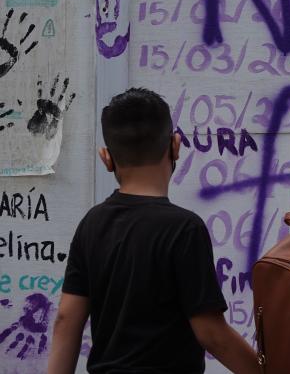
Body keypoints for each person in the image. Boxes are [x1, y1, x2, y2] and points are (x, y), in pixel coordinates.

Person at [47, 88, 257, 374]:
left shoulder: (91, 225)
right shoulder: (184, 229)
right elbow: (211, 333)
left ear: (106, 158)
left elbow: (65, 321)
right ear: (175, 146)